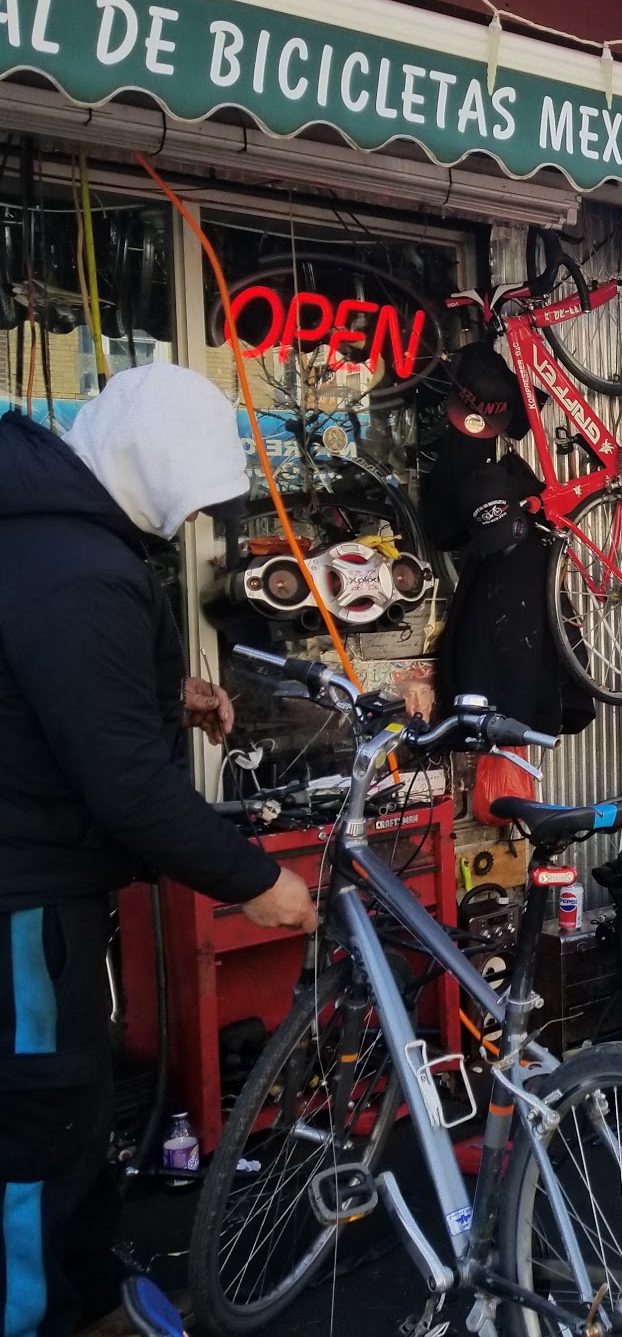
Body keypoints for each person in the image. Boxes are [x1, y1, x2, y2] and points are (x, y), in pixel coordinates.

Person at [0, 365, 318, 1337]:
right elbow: (127, 784)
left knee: (65, 1111)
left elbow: (47, 689)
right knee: (40, 1123)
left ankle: (83, 1289)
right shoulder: (76, 568)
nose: (185, 527)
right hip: (25, 895)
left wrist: (159, 694)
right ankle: (41, 1314)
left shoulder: (44, 536)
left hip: (37, 886)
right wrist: (256, 880)